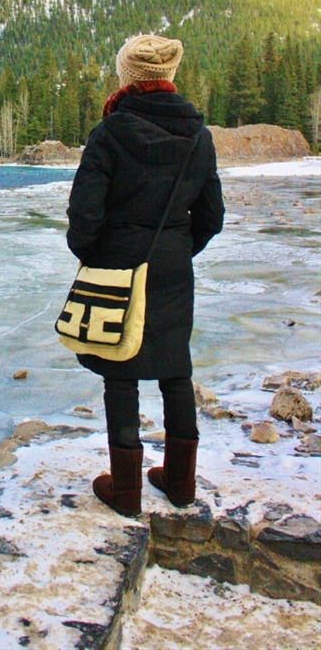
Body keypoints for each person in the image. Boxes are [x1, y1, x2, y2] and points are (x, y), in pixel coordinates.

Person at [66, 34, 224, 517]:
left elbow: (83, 216)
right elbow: (212, 216)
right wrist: (178, 251)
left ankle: (128, 492)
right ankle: (180, 485)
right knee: (176, 369)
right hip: (173, 266)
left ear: (127, 79)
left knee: (122, 371)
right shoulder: (198, 135)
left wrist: (95, 255)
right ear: (169, 77)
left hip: (118, 264)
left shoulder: (110, 133)